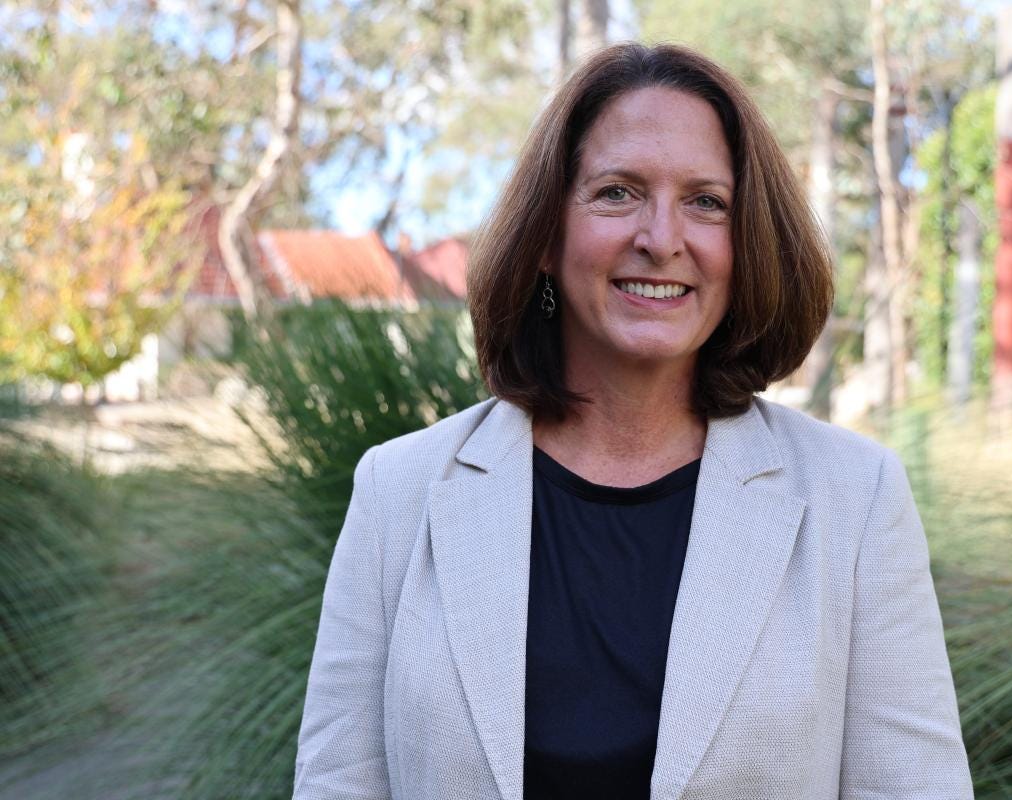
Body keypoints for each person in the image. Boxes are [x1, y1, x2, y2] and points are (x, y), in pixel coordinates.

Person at [293, 42, 973, 800]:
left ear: (746, 242)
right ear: (546, 235)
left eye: (706, 202)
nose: (661, 238)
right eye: (617, 193)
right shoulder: (399, 489)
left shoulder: (855, 495)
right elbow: (337, 784)